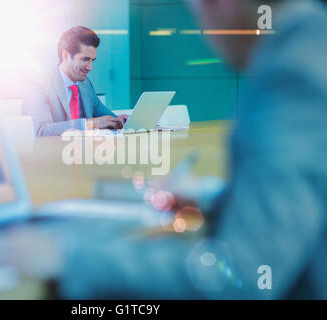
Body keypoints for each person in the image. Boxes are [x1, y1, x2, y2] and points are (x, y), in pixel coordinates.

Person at [50, 0, 327, 299]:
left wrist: (66, 257)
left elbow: (245, 275)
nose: (206, 32)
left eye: (200, 12)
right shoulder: (307, 50)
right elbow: (297, 200)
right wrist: (210, 198)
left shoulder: (294, 77)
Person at [22, 26, 129, 136]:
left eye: (92, 60)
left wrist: (120, 120)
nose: (90, 67)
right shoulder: (38, 85)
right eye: (85, 59)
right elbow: (41, 131)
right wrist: (91, 124)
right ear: (65, 56)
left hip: (84, 150)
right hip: (53, 151)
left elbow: (106, 117)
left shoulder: (85, 84)